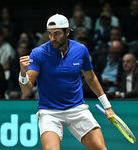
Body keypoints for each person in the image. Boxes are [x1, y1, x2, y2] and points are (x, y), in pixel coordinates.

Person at [19, 14, 115, 150]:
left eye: (57, 34)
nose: (52, 38)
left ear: (68, 31)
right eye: (50, 34)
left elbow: (91, 78)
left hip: (77, 109)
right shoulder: (38, 53)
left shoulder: (81, 50)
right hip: (50, 112)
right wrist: (23, 73)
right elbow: (26, 90)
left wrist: (107, 107)